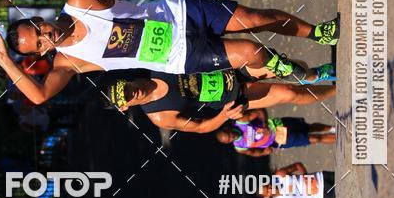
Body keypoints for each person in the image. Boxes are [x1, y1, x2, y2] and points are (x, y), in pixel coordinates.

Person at [0, 0, 339, 104]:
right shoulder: (69, 62)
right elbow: (38, 96)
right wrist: (5, 60)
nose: (45, 39)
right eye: (38, 45)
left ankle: (319, 33)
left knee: (255, 18)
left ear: (38, 20)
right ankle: (305, 73)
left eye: (38, 31)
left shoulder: (78, 1)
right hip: (178, 56)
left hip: (180, 13)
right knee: (250, 52)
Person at [104, 69, 336, 134]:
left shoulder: (154, 68)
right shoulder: (159, 116)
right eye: (124, 98)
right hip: (231, 98)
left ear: (127, 81)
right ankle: (337, 90)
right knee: (288, 93)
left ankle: (317, 74)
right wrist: (224, 115)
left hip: (228, 66)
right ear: (125, 107)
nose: (130, 93)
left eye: (125, 89)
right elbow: (201, 127)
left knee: (283, 65)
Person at [215, 109, 336, 155]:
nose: (232, 137)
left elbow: (259, 111)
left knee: (309, 128)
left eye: (229, 134)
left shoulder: (241, 122)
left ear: (228, 129)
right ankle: (340, 138)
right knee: (314, 139)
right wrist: (264, 152)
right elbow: (253, 152)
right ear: (228, 143)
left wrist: (264, 125)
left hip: (279, 125)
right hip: (279, 141)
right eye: (229, 139)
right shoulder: (239, 147)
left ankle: (333, 128)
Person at [258, 161, 335, 198]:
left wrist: (305, 176)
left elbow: (298, 165)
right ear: (267, 197)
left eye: (267, 186)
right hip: (322, 195)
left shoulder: (280, 174)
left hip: (322, 177)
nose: (270, 189)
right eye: (267, 192)